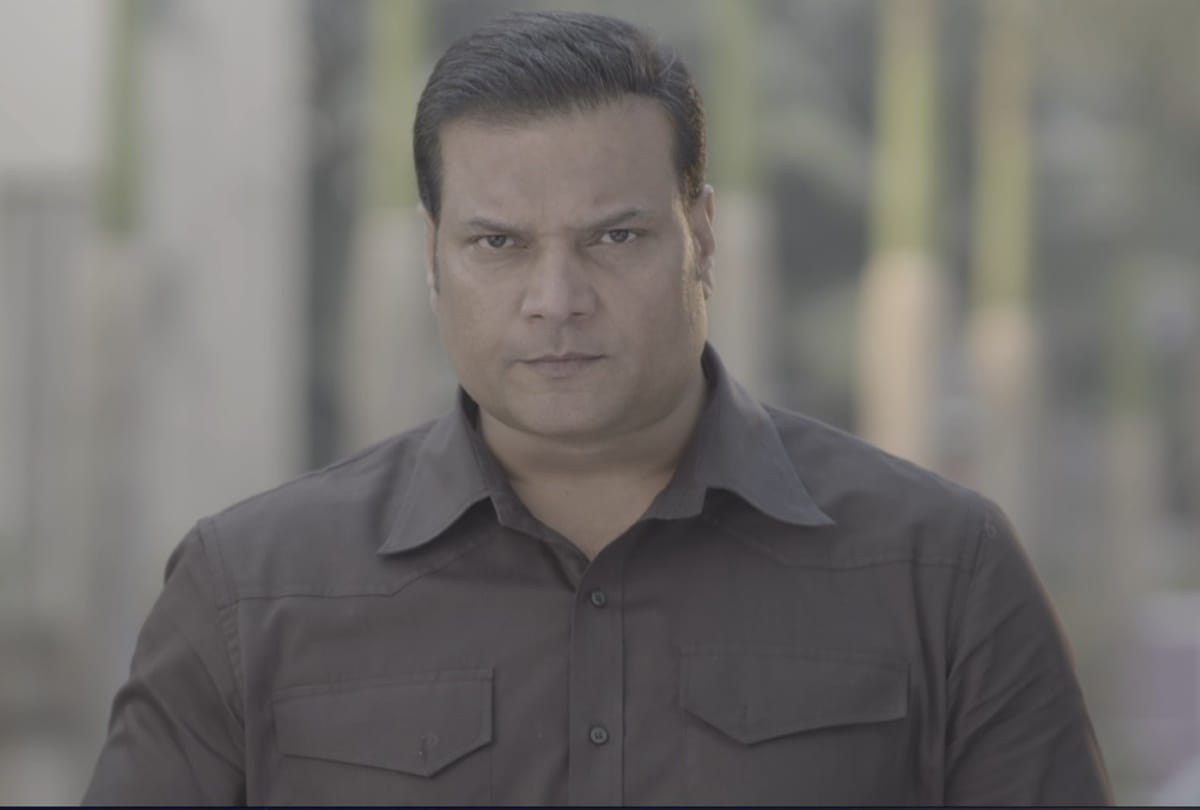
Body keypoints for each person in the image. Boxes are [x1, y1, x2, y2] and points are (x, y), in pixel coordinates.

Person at [83, 10, 1113, 806]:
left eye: (615, 238)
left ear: (701, 237)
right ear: (433, 255)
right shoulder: (251, 591)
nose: (557, 298)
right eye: (498, 243)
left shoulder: (939, 570)